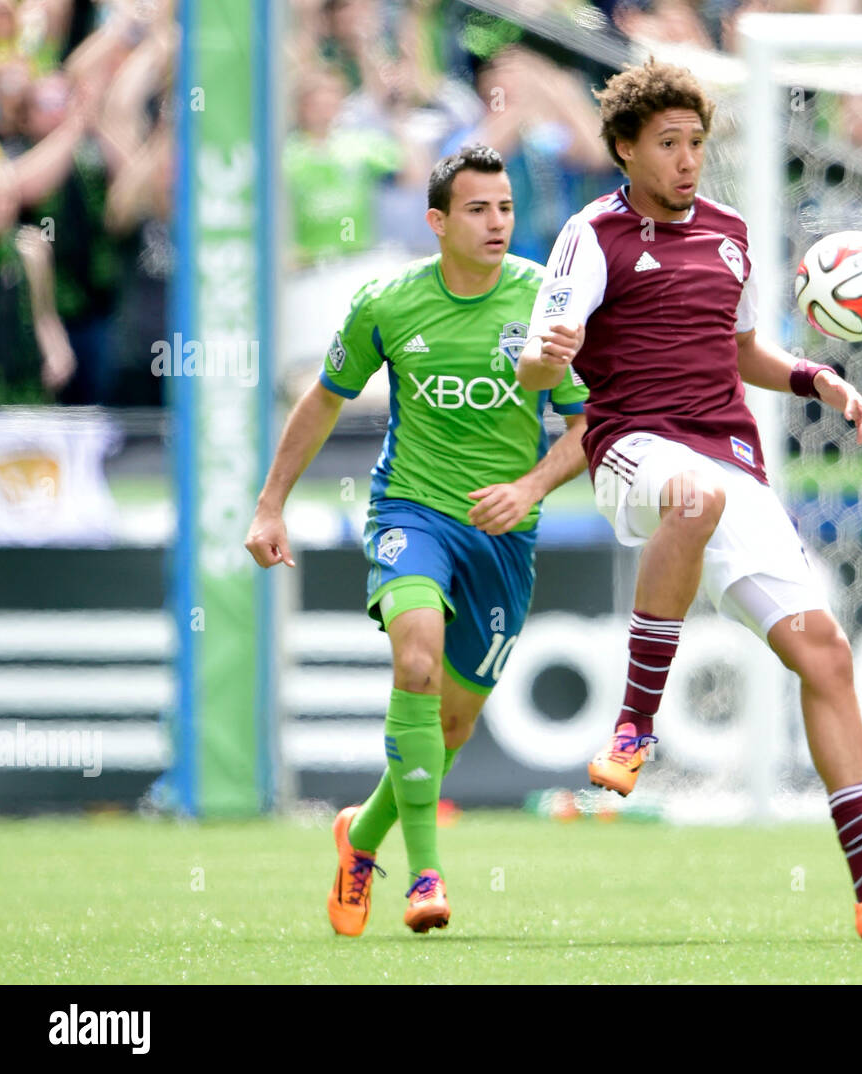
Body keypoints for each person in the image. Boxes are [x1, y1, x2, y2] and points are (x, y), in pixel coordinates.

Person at [516, 60, 862, 941]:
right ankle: (631, 731)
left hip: (733, 458)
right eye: (669, 144)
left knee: (826, 654)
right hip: (633, 447)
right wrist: (548, 354)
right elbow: (540, 367)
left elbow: (744, 352)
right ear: (624, 149)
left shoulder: (729, 235)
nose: (689, 160)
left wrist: (817, 378)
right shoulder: (591, 235)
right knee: (689, 500)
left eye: (697, 142)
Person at [245, 144, 589, 936]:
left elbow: (588, 425)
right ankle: (425, 876)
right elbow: (323, 400)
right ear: (437, 221)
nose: (497, 221)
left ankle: (359, 836)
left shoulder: (546, 302)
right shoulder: (388, 302)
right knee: (417, 660)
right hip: (413, 513)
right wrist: (271, 505)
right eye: (478, 209)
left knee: (454, 724)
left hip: (504, 535)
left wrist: (530, 488)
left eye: (504, 207)